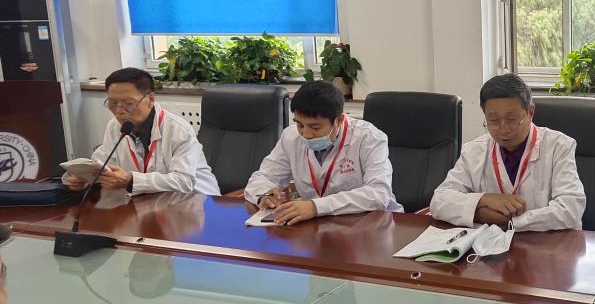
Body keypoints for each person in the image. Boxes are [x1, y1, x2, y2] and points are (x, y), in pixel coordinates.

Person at [430, 74, 585, 231]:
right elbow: (439, 201)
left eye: (511, 119)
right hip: (491, 242)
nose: (503, 128)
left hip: (548, 242)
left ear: (530, 112)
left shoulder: (558, 146)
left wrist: (513, 222)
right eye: (494, 120)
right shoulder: (474, 150)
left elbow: (570, 209)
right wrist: (484, 200)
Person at [244, 81, 402, 225]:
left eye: (315, 127)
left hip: (372, 224)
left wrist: (316, 207)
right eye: (300, 125)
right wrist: (264, 195)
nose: (306, 134)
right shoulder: (290, 137)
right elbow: (264, 177)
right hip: (318, 225)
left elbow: (378, 194)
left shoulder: (368, 137)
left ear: (339, 120)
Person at [63, 68, 220, 196]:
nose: (119, 111)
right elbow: (102, 163)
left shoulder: (177, 129)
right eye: (112, 103)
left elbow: (184, 181)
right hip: (152, 202)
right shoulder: (115, 126)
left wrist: (132, 180)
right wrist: (84, 177)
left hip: (198, 202)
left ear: (150, 99)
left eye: (128, 103)